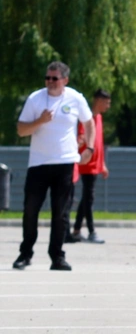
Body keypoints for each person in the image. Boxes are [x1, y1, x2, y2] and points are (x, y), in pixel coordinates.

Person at [14, 63, 95, 271]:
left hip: (65, 162)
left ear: (65, 80)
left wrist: (90, 148)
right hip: (39, 163)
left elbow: (89, 123)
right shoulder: (36, 99)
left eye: (54, 78)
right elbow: (21, 130)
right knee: (31, 210)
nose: (50, 82)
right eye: (47, 78)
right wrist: (40, 121)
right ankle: (26, 253)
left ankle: (57, 256)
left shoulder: (75, 98)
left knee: (61, 213)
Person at [66, 89, 111, 245]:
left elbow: (99, 142)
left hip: (95, 165)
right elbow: (81, 138)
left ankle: (77, 230)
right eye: (106, 102)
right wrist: (80, 143)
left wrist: (102, 164)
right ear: (98, 100)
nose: (108, 105)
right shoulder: (87, 118)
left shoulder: (99, 118)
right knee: (89, 198)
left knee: (87, 198)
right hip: (86, 164)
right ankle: (92, 231)